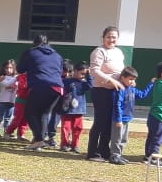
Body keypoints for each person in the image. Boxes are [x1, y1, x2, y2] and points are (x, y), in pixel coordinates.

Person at [16, 34, 64, 150]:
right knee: (44, 113)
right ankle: (40, 140)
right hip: (58, 88)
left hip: (41, 85)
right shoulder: (57, 55)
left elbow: (20, 69)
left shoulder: (31, 52)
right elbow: (60, 71)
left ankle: (38, 139)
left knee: (29, 112)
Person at [87, 27, 126, 162]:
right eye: (109, 37)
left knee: (110, 122)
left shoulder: (119, 52)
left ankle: (104, 150)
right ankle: (92, 152)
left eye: (114, 37)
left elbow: (122, 70)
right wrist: (110, 80)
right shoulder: (99, 51)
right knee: (100, 121)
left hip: (115, 92)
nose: (111, 40)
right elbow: (94, 70)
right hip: (101, 91)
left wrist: (128, 80)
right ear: (103, 37)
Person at [109, 67, 155, 165]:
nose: (132, 82)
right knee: (117, 138)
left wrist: (151, 83)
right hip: (119, 119)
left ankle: (119, 155)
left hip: (127, 118)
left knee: (124, 138)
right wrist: (118, 119)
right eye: (130, 79)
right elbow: (117, 104)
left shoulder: (132, 89)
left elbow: (143, 95)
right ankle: (114, 155)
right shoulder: (119, 89)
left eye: (133, 80)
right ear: (122, 78)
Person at [60, 61, 92, 152]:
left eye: (84, 74)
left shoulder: (83, 83)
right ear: (75, 71)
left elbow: (90, 85)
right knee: (66, 127)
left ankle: (75, 145)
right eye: (81, 73)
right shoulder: (66, 81)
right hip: (67, 109)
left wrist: (89, 75)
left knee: (78, 128)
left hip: (79, 110)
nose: (83, 76)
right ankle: (64, 144)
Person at [0, 60, 17, 137]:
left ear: (14, 68)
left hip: (12, 101)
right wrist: (16, 79)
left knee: (8, 118)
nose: (9, 70)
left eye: (11, 68)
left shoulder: (16, 77)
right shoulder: (2, 78)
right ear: (3, 69)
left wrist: (16, 81)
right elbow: (7, 84)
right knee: (0, 117)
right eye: (7, 68)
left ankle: (7, 131)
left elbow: (17, 86)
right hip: (2, 101)